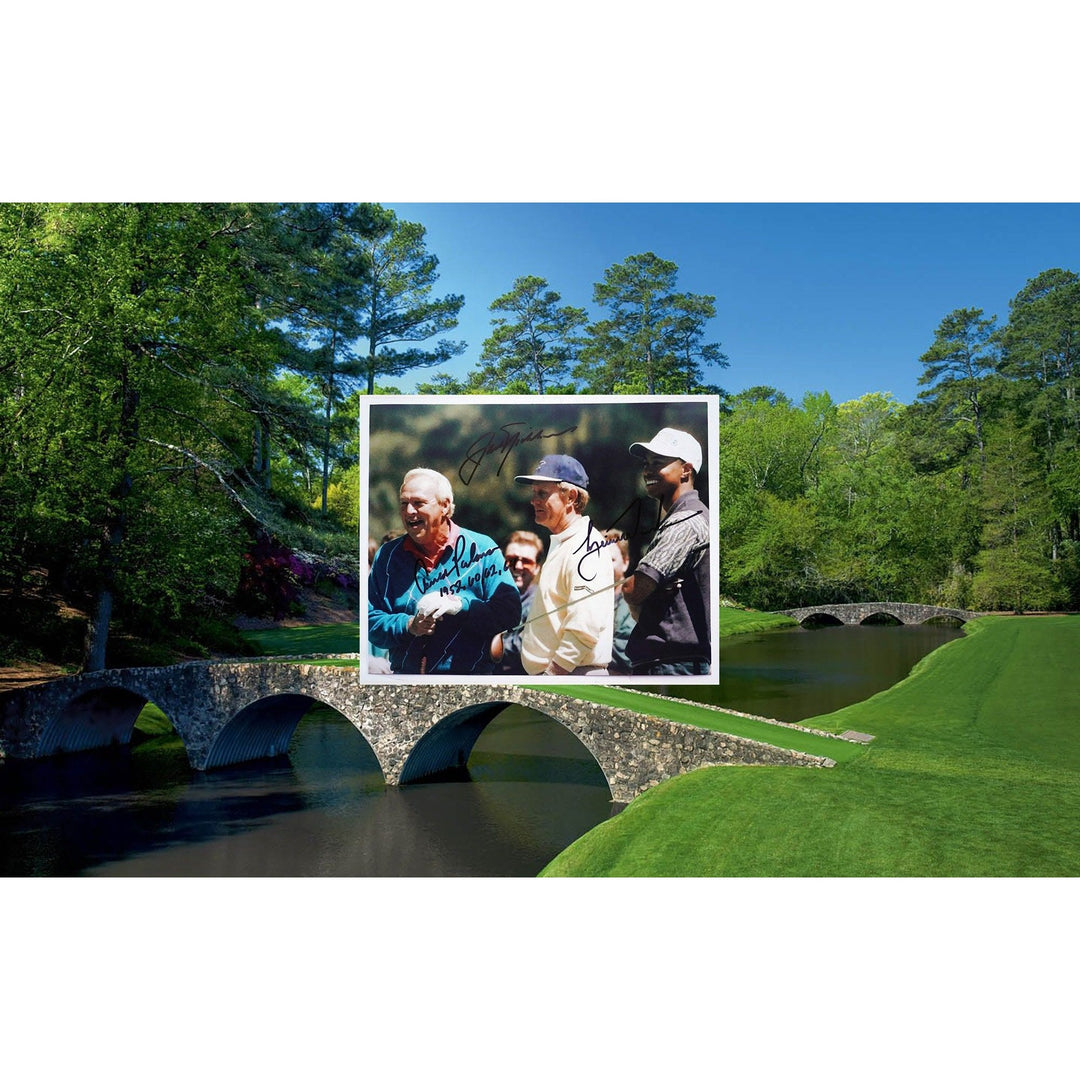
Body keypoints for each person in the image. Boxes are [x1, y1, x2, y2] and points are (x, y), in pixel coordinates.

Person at [368, 468, 521, 674]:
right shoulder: (387, 556)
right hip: (406, 680)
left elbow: (510, 612)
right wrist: (409, 625)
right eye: (404, 503)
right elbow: (369, 621)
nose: (409, 511)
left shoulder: (484, 549)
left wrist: (461, 606)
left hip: (470, 681)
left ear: (445, 506)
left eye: (418, 503)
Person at [513, 455, 614, 676]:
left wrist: (552, 675)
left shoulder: (586, 546)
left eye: (542, 493)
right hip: (566, 673)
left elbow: (585, 626)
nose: (533, 500)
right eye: (534, 493)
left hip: (572, 674)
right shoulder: (565, 543)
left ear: (571, 497)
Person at [623, 428, 711, 675]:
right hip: (674, 662)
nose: (648, 470)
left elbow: (633, 590)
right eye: (646, 463)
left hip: (672, 663)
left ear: (686, 470)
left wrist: (641, 592)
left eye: (658, 462)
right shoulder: (692, 516)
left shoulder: (686, 521)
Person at [492, 530, 545, 676]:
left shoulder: (542, 602)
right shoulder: (489, 595)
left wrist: (483, 648)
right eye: (512, 559)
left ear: (537, 568)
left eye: (526, 561)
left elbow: (526, 645)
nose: (518, 566)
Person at [604, 529, 636, 676]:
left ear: (625, 562)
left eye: (611, 560)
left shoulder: (633, 603)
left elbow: (624, 655)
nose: (603, 566)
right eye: (598, 559)